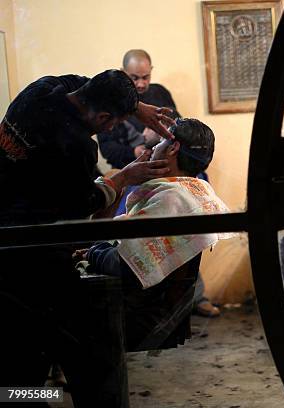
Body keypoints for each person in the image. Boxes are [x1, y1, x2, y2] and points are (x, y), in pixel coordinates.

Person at [0, 69, 174, 406]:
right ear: (103, 116)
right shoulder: (76, 148)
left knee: (17, 357)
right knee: (37, 359)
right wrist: (122, 178)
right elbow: (85, 204)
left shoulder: (42, 88)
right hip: (25, 254)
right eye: (112, 123)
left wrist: (136, 106)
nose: (109, 130)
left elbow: (85, 79)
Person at [84, 118, 233, 348]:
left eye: (161, 140)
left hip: (139, 311)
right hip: (153, 304)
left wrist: (91, 253)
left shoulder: (171, 197)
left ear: (173, 147)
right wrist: (123, 180)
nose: (153, 147)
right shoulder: (197, 190)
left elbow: (122, 265)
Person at [98, 49, 180, 169]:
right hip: (127, 170)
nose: (141, 84)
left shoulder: (161, 93)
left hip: (162, 168)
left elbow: (180, 129)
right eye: (134, 78)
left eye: (145, 77)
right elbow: (107, 148)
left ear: (151, 70)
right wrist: (135, 152)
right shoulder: (111, 100)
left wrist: (164, 131)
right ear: (123, 72)